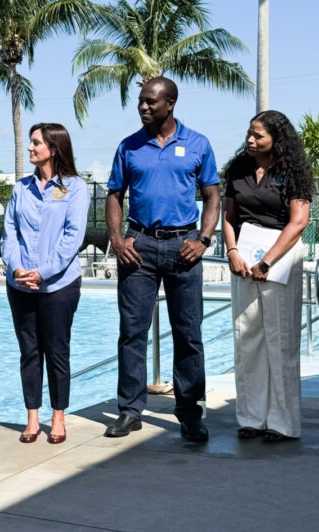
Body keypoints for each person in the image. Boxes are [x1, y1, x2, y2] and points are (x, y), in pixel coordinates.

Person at [105, 77, 220, 442]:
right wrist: (117, 239)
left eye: (150, 102)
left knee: (189, 334)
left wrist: (202, 240)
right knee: (132, 332)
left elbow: (213, 197)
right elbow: (114, 195)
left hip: (184, 248)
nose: (143, 107)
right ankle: (130, 411)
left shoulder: (198, 143)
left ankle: (189, 413)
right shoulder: (129, 147)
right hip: (139, 247)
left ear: (170, 104)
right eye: (141, 101)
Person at [223, 110, 312, 441]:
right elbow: (229, 216)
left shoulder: (294, 173)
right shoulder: (239, 169)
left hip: (281, 257)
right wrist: (233, 252)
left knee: (280, 340)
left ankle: (282, 423)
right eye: (249, 133)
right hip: (244, 257)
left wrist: (268, 262)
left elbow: (298, 222)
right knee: (247, 336)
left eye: (258, 135)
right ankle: (251, 417)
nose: (250, 139)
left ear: (277, 139)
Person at [1, 123, 90, 445]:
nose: (29, 148)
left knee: (56, 350)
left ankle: (58, 416)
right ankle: (32, 417)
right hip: (20, 284)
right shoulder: (20, 189)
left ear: (53, 148)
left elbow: (72, 237)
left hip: (60, 284)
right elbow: (9, 233)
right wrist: (17, 268)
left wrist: (44, 271)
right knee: (29, 351)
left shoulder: (75, 188)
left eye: (36, 143)